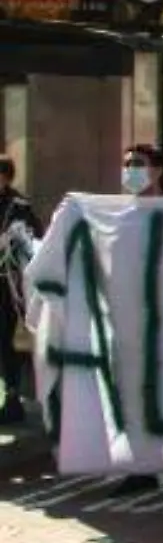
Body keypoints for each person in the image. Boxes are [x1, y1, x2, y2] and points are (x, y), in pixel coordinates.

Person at [0, 156, 42, 425]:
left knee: (6, 343)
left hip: (7, 285)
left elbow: (34, 239)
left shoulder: (19, 206)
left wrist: (12, 241)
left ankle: (13, 398)